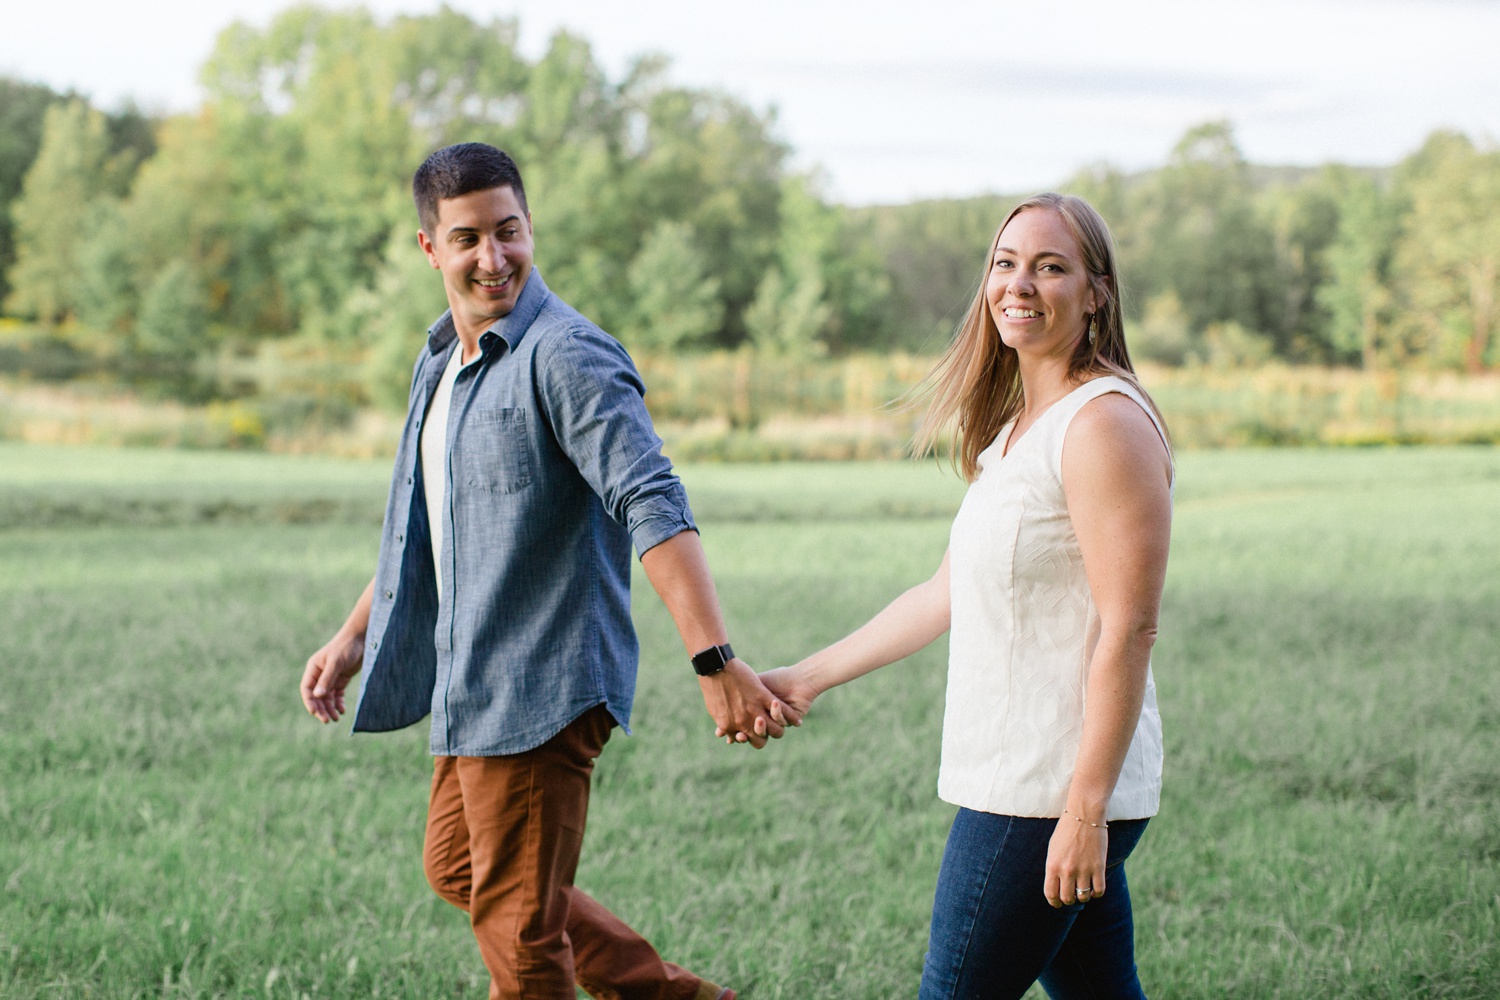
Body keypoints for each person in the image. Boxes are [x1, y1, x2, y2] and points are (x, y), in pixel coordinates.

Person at [299, 142, 792, 1000]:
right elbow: (425, 523)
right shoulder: (440, 362)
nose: (493, 258)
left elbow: (652, 502)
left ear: (531, 227)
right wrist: (354, 633)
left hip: (543, 683)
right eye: (468, 239)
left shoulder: (568, 356)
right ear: (430, 249)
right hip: (472, 679)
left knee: (519, 936)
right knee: (464, 869)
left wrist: (714, 661)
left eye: (509, 231)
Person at [759, 193, 1173, 999]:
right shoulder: (1017, 429)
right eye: (1006, 263)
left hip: (1047, 791)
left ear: (1097, 292)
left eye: (1051, 266)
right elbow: (945, 591)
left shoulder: (1102, 425)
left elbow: (1130, 628)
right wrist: (806, 677)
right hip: (1024, 781)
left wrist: (1082, 812)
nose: (1020, 283)